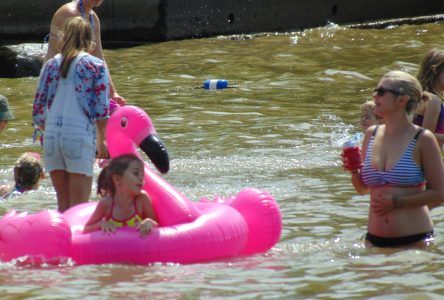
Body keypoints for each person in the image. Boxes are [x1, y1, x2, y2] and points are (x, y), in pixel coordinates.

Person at [342, 70, 444, 248]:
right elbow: (363, 189)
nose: (374, 95)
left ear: (401, 100)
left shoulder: (422, 138)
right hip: (373, 241)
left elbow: (440, 193)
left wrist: (399, 202)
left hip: (415, 243)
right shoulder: (371, 134)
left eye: (381, 92)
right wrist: (354, 170)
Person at [32, 16, 110, 212]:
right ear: (89, 40)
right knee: (79, 208)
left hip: (52, 137)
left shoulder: (50, 65)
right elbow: (101, 110)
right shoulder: (95, 66)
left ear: (63, 37)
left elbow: (38, 110)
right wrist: (101, 142)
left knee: (63, 207)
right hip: (79, 136)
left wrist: (48, 130)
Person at [45, 0, 126, 106]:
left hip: (77, 86)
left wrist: (113, 93)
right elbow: (70, 55)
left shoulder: (94, 19)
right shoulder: (69, 13)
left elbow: (100, 59)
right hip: (56, 82)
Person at [83, 154, 158, 237]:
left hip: (138, 248)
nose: (141, 178)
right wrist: (100, 224)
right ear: (117, 179)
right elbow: (86, 229)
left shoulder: (142, 199)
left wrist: (150, 222)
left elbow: (158, 225)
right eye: (136, 173)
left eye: (143, 175)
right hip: (114, 248)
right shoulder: (107, 203)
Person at [414, 48, 444, 147]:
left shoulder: (420, 95)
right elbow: (426, 136)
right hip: (424, 157)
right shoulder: (433, 100)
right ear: (435, 71)